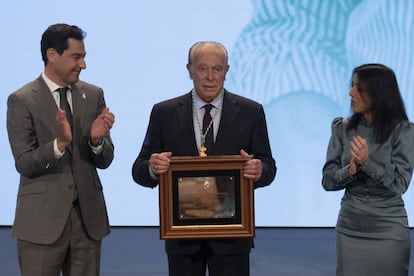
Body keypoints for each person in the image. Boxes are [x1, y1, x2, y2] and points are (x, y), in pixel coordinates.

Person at [132, 41, 276, 276]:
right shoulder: (164, 112)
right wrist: (152, 167)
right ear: (189, 69)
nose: (210, 77)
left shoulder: (252, 112)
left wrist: (259, 170)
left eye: (217, 69)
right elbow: (139, 170)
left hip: (232, 236)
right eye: (202, 68)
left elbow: (269, 166)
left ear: (227, 71)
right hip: (182, 237)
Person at [6, 23, 115, 276]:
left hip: (87, 221)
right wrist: (59, 145)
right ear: (52, 55)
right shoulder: (22, 100)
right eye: (76, 57)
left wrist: (97, 142)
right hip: (40, 223)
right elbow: (24, 162)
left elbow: (106, 159)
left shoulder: (93, 94)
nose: (83, 65)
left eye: (84, 57)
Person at [322, 63, 414, 276]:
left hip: (388, 229)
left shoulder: (404, 132)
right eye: (352, 85)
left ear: (378, 93)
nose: (350, 92)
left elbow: (401, 183)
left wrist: (367, 162)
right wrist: (351, 170)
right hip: (350, 227)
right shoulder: (342, 128)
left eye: (359, 88)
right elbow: (327, 181)